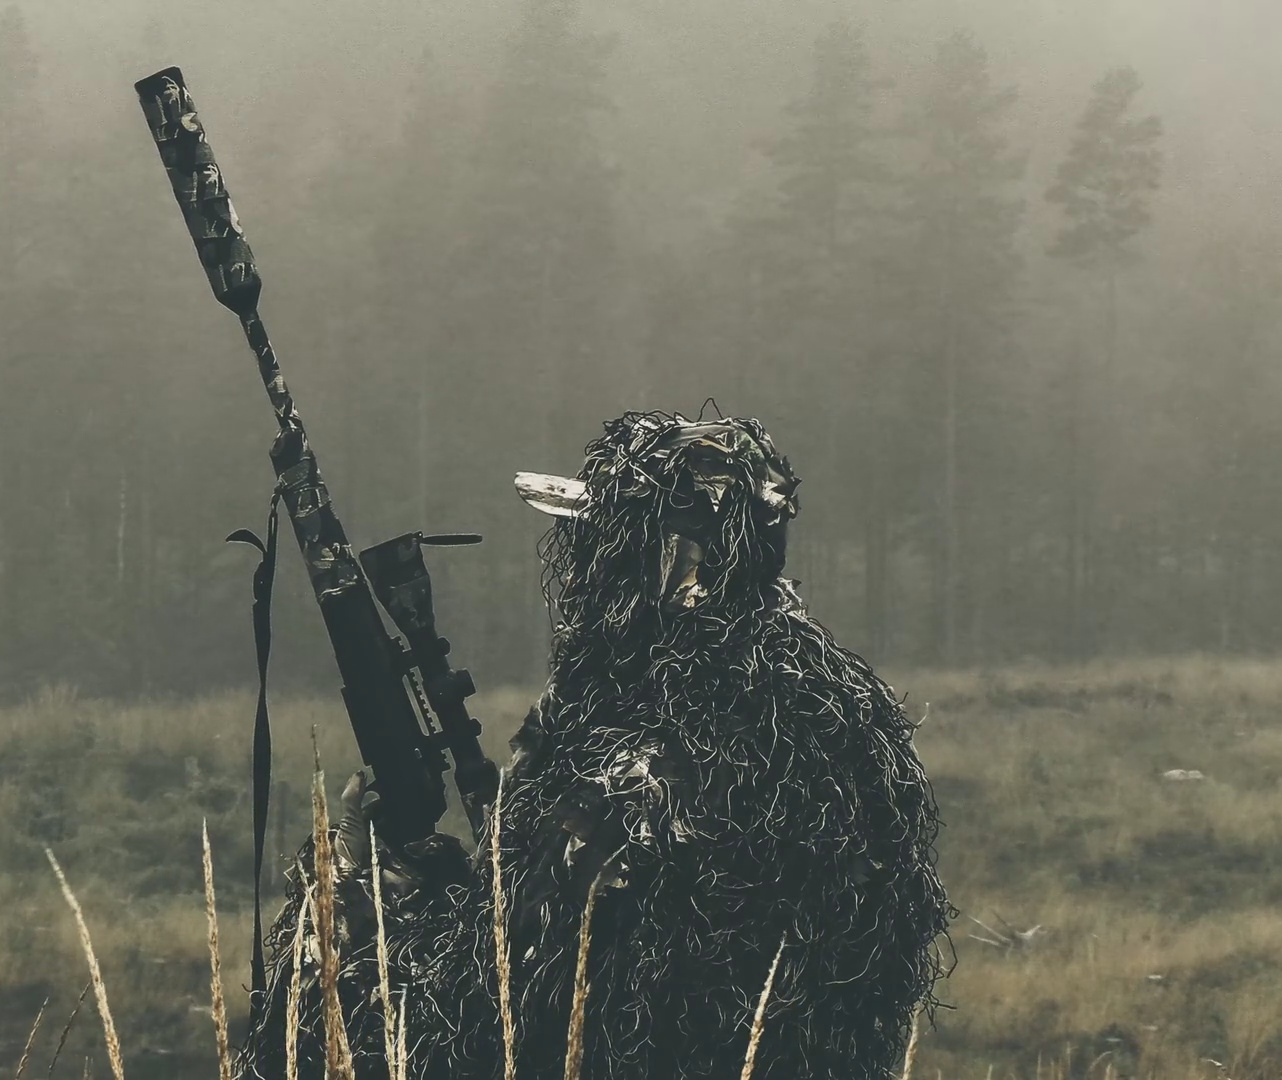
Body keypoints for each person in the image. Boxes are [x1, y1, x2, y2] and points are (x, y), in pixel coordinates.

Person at [242, 410, 952, 1080]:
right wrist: (472, 889)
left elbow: (474, 1030)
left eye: (600, 551)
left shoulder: (632, 775)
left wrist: (356, 893)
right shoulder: (849, 720)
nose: (579, 581)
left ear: (652, 563)